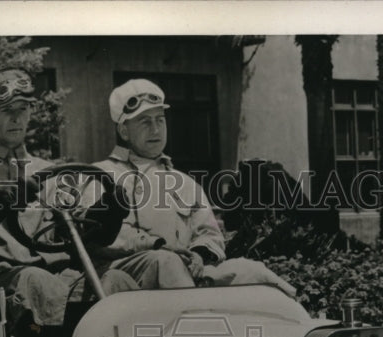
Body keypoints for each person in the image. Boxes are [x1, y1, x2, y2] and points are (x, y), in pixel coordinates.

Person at [0, 66, 136, 333]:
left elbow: (83, 231)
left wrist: (109, 209)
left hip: (53, 276)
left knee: (116, 281)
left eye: (24, 109)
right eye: (7, 111)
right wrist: (0, 201)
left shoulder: (48, 172)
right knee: (36, 281)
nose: (17, 118)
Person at [92, 79, 296, 296]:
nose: (155, 129)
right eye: (144, 121)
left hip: (183, 273)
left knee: (252, 272)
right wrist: (156, 245)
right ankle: (198, 322)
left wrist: (199, 254)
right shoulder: (101, 175)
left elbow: (209, 232)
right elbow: (100, 234)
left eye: (160, 120)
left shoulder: (185, 183)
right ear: (124, 131)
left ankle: (300, 324)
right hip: (127, 276)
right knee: (166, 261)